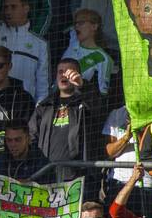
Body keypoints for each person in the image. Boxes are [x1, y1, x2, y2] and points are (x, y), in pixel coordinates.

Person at [28, 58, 104, 189]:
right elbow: (31, 136)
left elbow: (99, 110)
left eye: (69, 72)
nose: (64, 75)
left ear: (78, 75)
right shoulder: (45, 106)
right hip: (47, 175)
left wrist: (82, 86)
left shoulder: (85, 102)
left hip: (78, 177)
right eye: (60, 72)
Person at [0, 0, 50, 102]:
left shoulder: (40, 44)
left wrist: (39, 109)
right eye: (6, 7)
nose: (8, 11)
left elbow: (43, 86)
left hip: (24, 106)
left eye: (13, 7)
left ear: (26, 8)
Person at [61, 9, 117, 95]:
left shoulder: (102, 57)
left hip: (77, 99)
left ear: (94, 26)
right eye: (75, 23)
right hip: (56, 96)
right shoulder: (73, 42)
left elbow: (103, 92)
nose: (77, 26)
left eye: (81, 23)